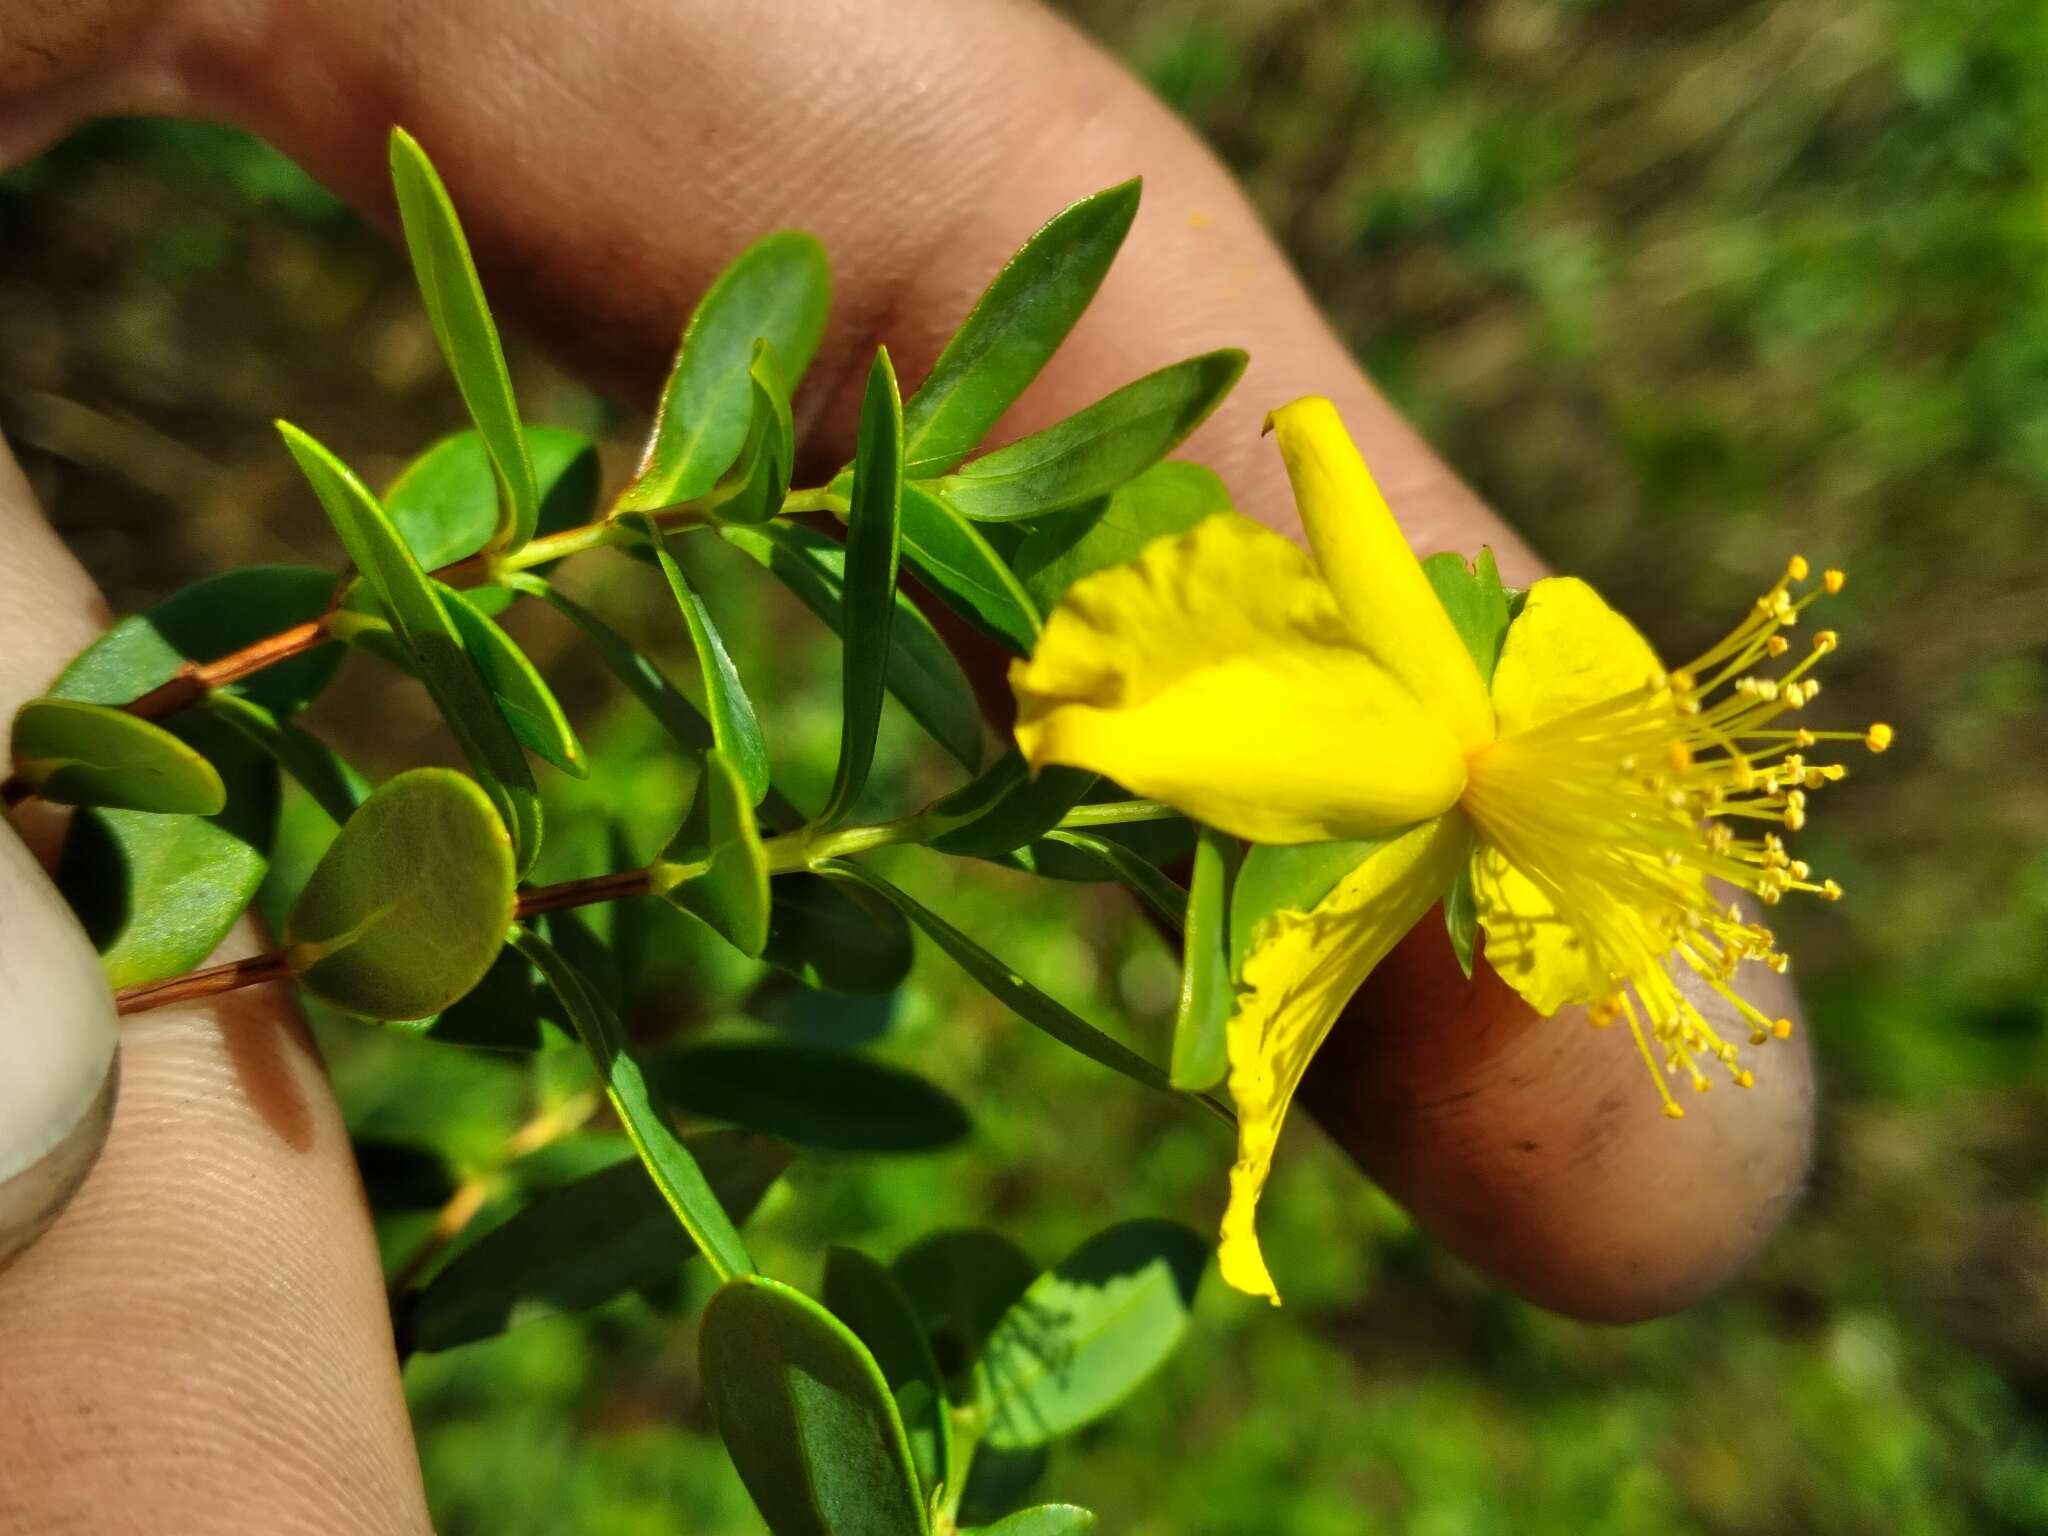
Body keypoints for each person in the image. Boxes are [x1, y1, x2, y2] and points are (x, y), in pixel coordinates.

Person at [0, 2, 1814, 1528]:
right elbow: (1288, 491)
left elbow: (1319, 497)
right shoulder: (1399, 709)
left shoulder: (1453, 781)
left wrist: (1251, 1175)